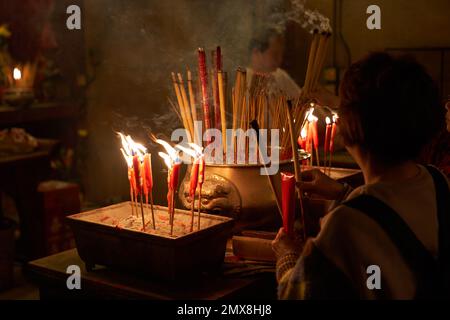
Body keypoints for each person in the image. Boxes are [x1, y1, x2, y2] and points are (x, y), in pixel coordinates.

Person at [272, 52, 449, 299]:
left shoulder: (343, 225)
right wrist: (342, 193)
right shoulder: (438, 182)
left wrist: (287, 256)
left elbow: (297, 295)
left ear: (350, 128)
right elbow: (390, 210)